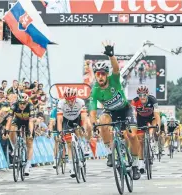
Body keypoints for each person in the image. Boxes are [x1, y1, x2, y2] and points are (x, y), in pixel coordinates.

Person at [88, 41, 141, 180]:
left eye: (103, 74)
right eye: (97, 74)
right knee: (102, 121)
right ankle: (110, 154)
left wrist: (111, 56)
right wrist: (94, 124)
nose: (100, 76)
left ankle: (135, 165)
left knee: (132, 136)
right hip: (110, 111)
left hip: (125, 109)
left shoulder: (114, 80)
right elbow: (92, 111)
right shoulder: (95, 91)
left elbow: (116, 69)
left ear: (106, 75)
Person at [57, 88, 91, 178]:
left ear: (75, 98)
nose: (70, 102)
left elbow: (83, 117)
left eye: (72, 99)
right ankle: (72, 167)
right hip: (67, 121)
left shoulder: (80, 102)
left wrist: (83, 128)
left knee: (86, 124)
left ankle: (84, 144)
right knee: (69, 144)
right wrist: (60, 132)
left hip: (77, 119)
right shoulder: (61, 103)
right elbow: (59, 120)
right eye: (68, 100)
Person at [131, 85, 161, 174]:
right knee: (140, 141)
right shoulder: (135, 101)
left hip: (151, 117)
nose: (142, 97)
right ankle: (141, 163)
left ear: (147, 94)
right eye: (140, 95)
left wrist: (158, 126)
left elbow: (157, 115)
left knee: (154, 124)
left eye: (144, 95)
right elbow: (133, 114)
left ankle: (151, 139)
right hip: (141, 119)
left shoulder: (153, 100)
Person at [4, 93, 35, 176]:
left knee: (29, 142)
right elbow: (9, 119)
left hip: (28, 121)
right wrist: (6, 130)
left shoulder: (30, 106)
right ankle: (15, 148)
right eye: (20, 103)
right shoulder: (14, 106)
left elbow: (31, 121)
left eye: (24, 103)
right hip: (18, 120)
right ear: (18, 102)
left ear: (27, 103)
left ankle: (28, 165)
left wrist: (31, 133)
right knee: (12, 129)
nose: (22, 105)